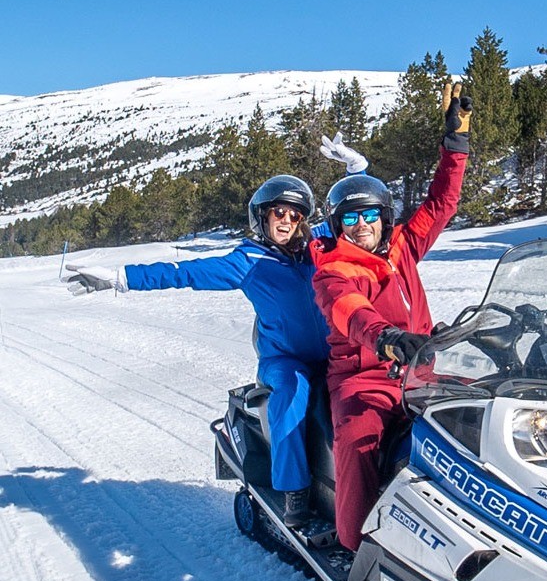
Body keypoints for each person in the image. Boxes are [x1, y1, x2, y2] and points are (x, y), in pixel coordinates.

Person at [61, 133, 368, 527]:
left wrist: (356, 169)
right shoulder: (247, 261)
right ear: (263, 216)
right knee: (291, 397)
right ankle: (295, 492)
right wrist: (121, 278)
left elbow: (356, 212)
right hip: (284, 359)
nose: (288, 222)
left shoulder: (317, 245)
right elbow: (182, 273)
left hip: (330, 352)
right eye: (280, 213)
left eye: (295, 215)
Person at [310, 83, 471, 552]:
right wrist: (386, 337)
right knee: (360, 444)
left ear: (384, 217)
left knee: (485, 416)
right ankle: (355, 543)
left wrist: (455, 145)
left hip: (421, 371)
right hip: (364, 380)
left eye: (369, 216)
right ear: (338, 225)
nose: (361, 226)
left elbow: (443, 203)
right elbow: (349, 312)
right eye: (350, 219)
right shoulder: (333, 269)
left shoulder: (403, 247)